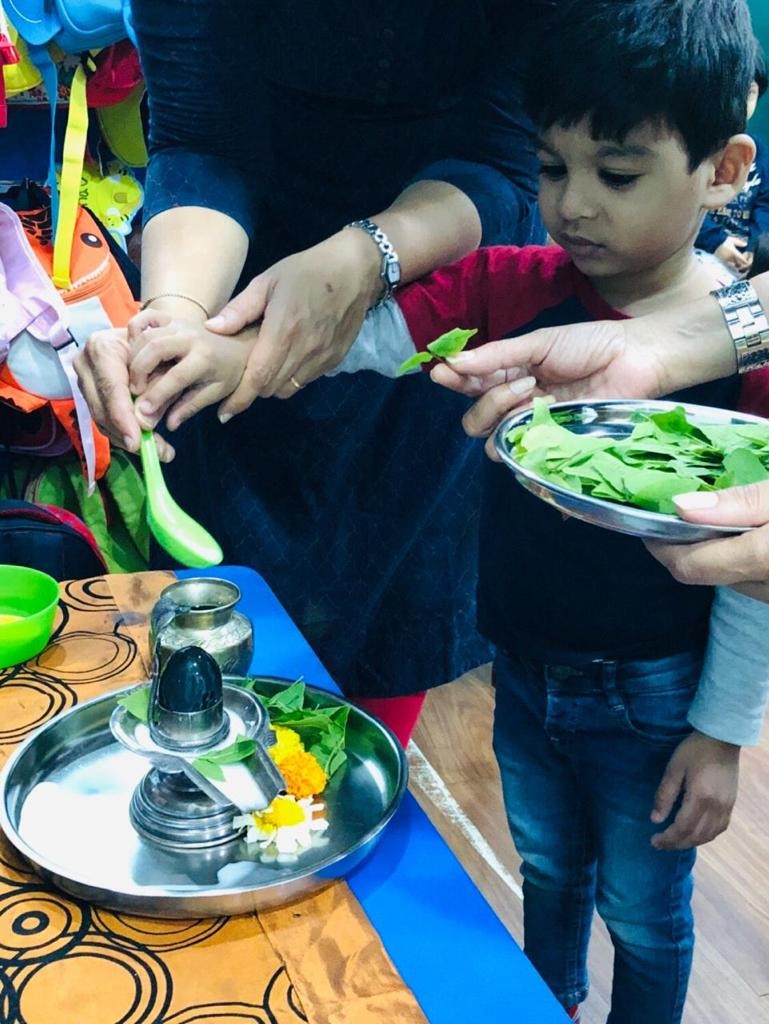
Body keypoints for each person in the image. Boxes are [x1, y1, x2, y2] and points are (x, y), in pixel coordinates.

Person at [118, 2, 769, 1020]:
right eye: (555, 173)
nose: (575, 210)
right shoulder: (516, 286)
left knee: (644, 912)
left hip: (655, 695)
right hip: (526, 664)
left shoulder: (742, 374)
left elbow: (747, 572)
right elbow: (379, 329)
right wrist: (210, 341)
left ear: (722, 169)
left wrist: (721, 731)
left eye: (618, 175)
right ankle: (544, 997)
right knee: (547, 864)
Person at [74, 0, 548, 745]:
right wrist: (172, 320)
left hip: (441, 273)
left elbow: (499, 156)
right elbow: (202, 135)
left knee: (388, 634)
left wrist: (369, 257)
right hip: (234, 285)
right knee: (218, 647)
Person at [695, 50, 769, 274]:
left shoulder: (758, 150)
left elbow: (766, 201)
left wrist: (755, 245)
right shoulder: (696, 147)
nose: (738, 104)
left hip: (745, 254)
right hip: (702, 249)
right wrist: (716, 242)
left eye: (748, 93)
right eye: (728, 92)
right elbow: (679, 204)